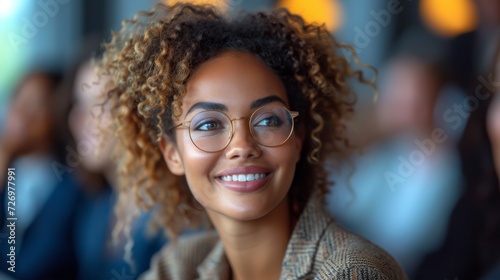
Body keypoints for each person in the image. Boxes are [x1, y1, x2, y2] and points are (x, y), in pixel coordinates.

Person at [99, 3, 407, 279]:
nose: (242, 146)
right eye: (208, 124)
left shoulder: (352, 271)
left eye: (269, 120)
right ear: (172, 154)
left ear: (298, 138)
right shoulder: (183, 266)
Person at [0, 70, 81, 279]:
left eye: (37, 104)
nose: (21, 111)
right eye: (18, 98)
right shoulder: (8, 174)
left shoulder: (72, 188)